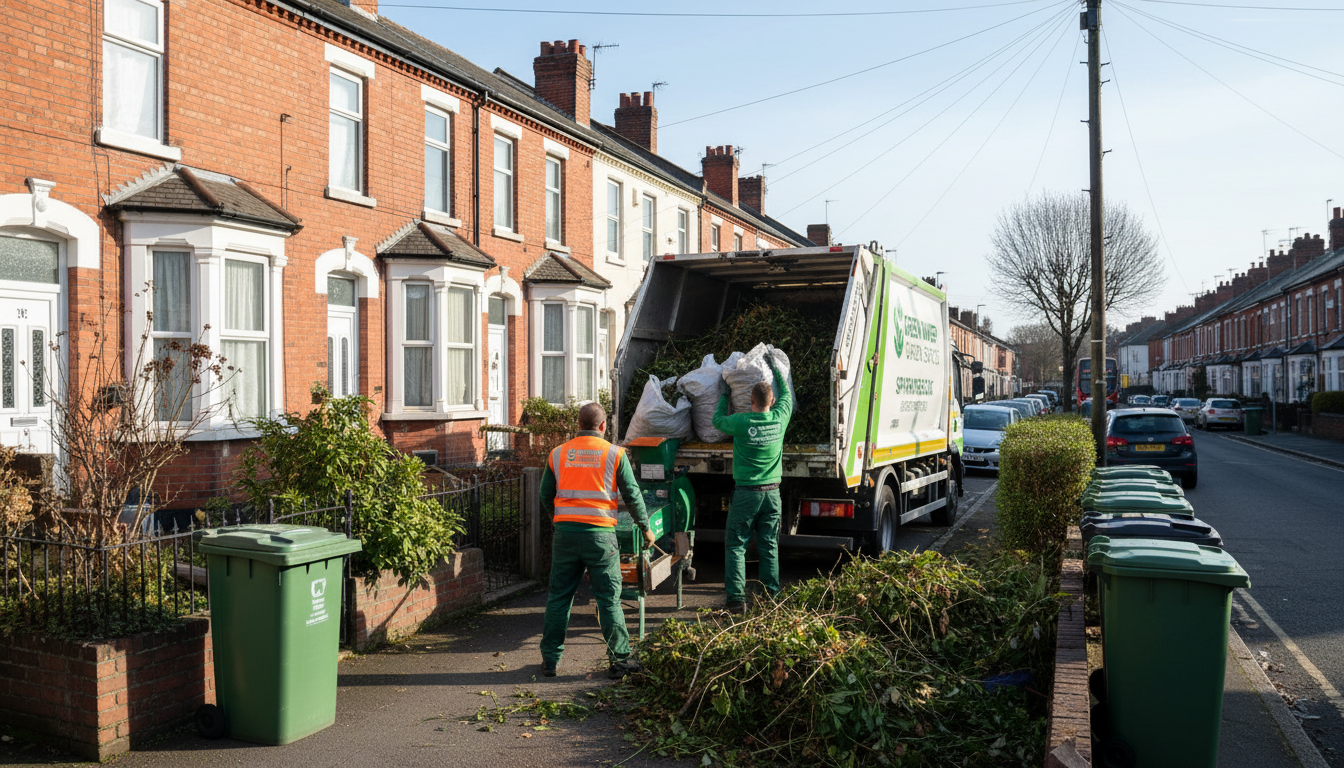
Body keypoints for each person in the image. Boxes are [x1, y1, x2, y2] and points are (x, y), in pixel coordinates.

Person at [539, 402, 655, 679]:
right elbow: (633, 494)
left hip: (566, 535)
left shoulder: (557, 454)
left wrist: (560, 519)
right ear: (603, 426)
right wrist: (645, 528)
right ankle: (619, 661)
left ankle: (551, 662)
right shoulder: (615, 454)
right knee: (608, 600)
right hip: (601, 538)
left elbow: (545, 494)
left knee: (559, 598)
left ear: (577, 424)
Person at [711, 351, 792, 613]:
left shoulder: (741, 422)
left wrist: (724, 394)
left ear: (750, 401)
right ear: (773, 401)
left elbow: (716, 421)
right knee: (769, 543)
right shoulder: (780, 418)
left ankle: (736, 600)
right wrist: (776, 370)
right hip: (772, 494)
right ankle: (770, 595)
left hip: (746, 493)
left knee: (736, 544)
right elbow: (788, 396)